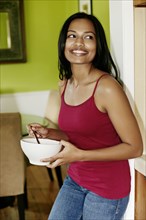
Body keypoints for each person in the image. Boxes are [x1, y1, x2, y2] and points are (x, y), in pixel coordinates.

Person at [28, 12, 143, 220]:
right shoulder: (65, 85)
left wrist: (79, 155)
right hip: (76, 180)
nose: (79, 43)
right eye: (72, 36)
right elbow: (80, 134)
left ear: (97, 45)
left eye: (88, 37)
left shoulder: (107, 88)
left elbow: (135, 147)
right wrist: (49, 133)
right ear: (63, 43)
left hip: (106, 190)